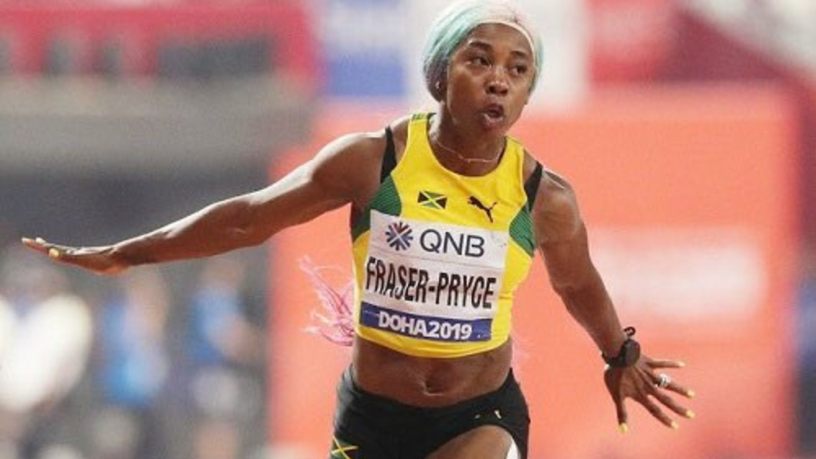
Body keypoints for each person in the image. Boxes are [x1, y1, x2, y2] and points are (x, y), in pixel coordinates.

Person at [22, 1, 694, 457]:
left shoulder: (542, 195)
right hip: (373, 417)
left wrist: (621, 354)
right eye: (479, 60)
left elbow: (577, 284)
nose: (498, 81)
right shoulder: (375, 161)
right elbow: (248, 218)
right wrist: (129, 253)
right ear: (440, 74)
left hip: (480, 413)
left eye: (517, 71)